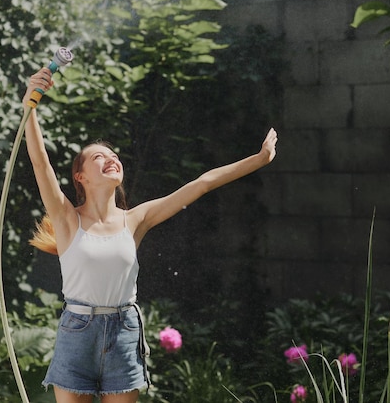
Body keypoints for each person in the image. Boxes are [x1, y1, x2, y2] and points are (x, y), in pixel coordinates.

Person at [22, 67, 278, 403]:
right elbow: (41, 164)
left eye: (114, 156)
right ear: (80, 177)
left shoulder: (135, 219)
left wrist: (258, 160)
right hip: (77, 333)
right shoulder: (68, 219)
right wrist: (30, 106)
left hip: (124, 332)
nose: (110, 159)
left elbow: (200, 184)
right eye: (98, 157)